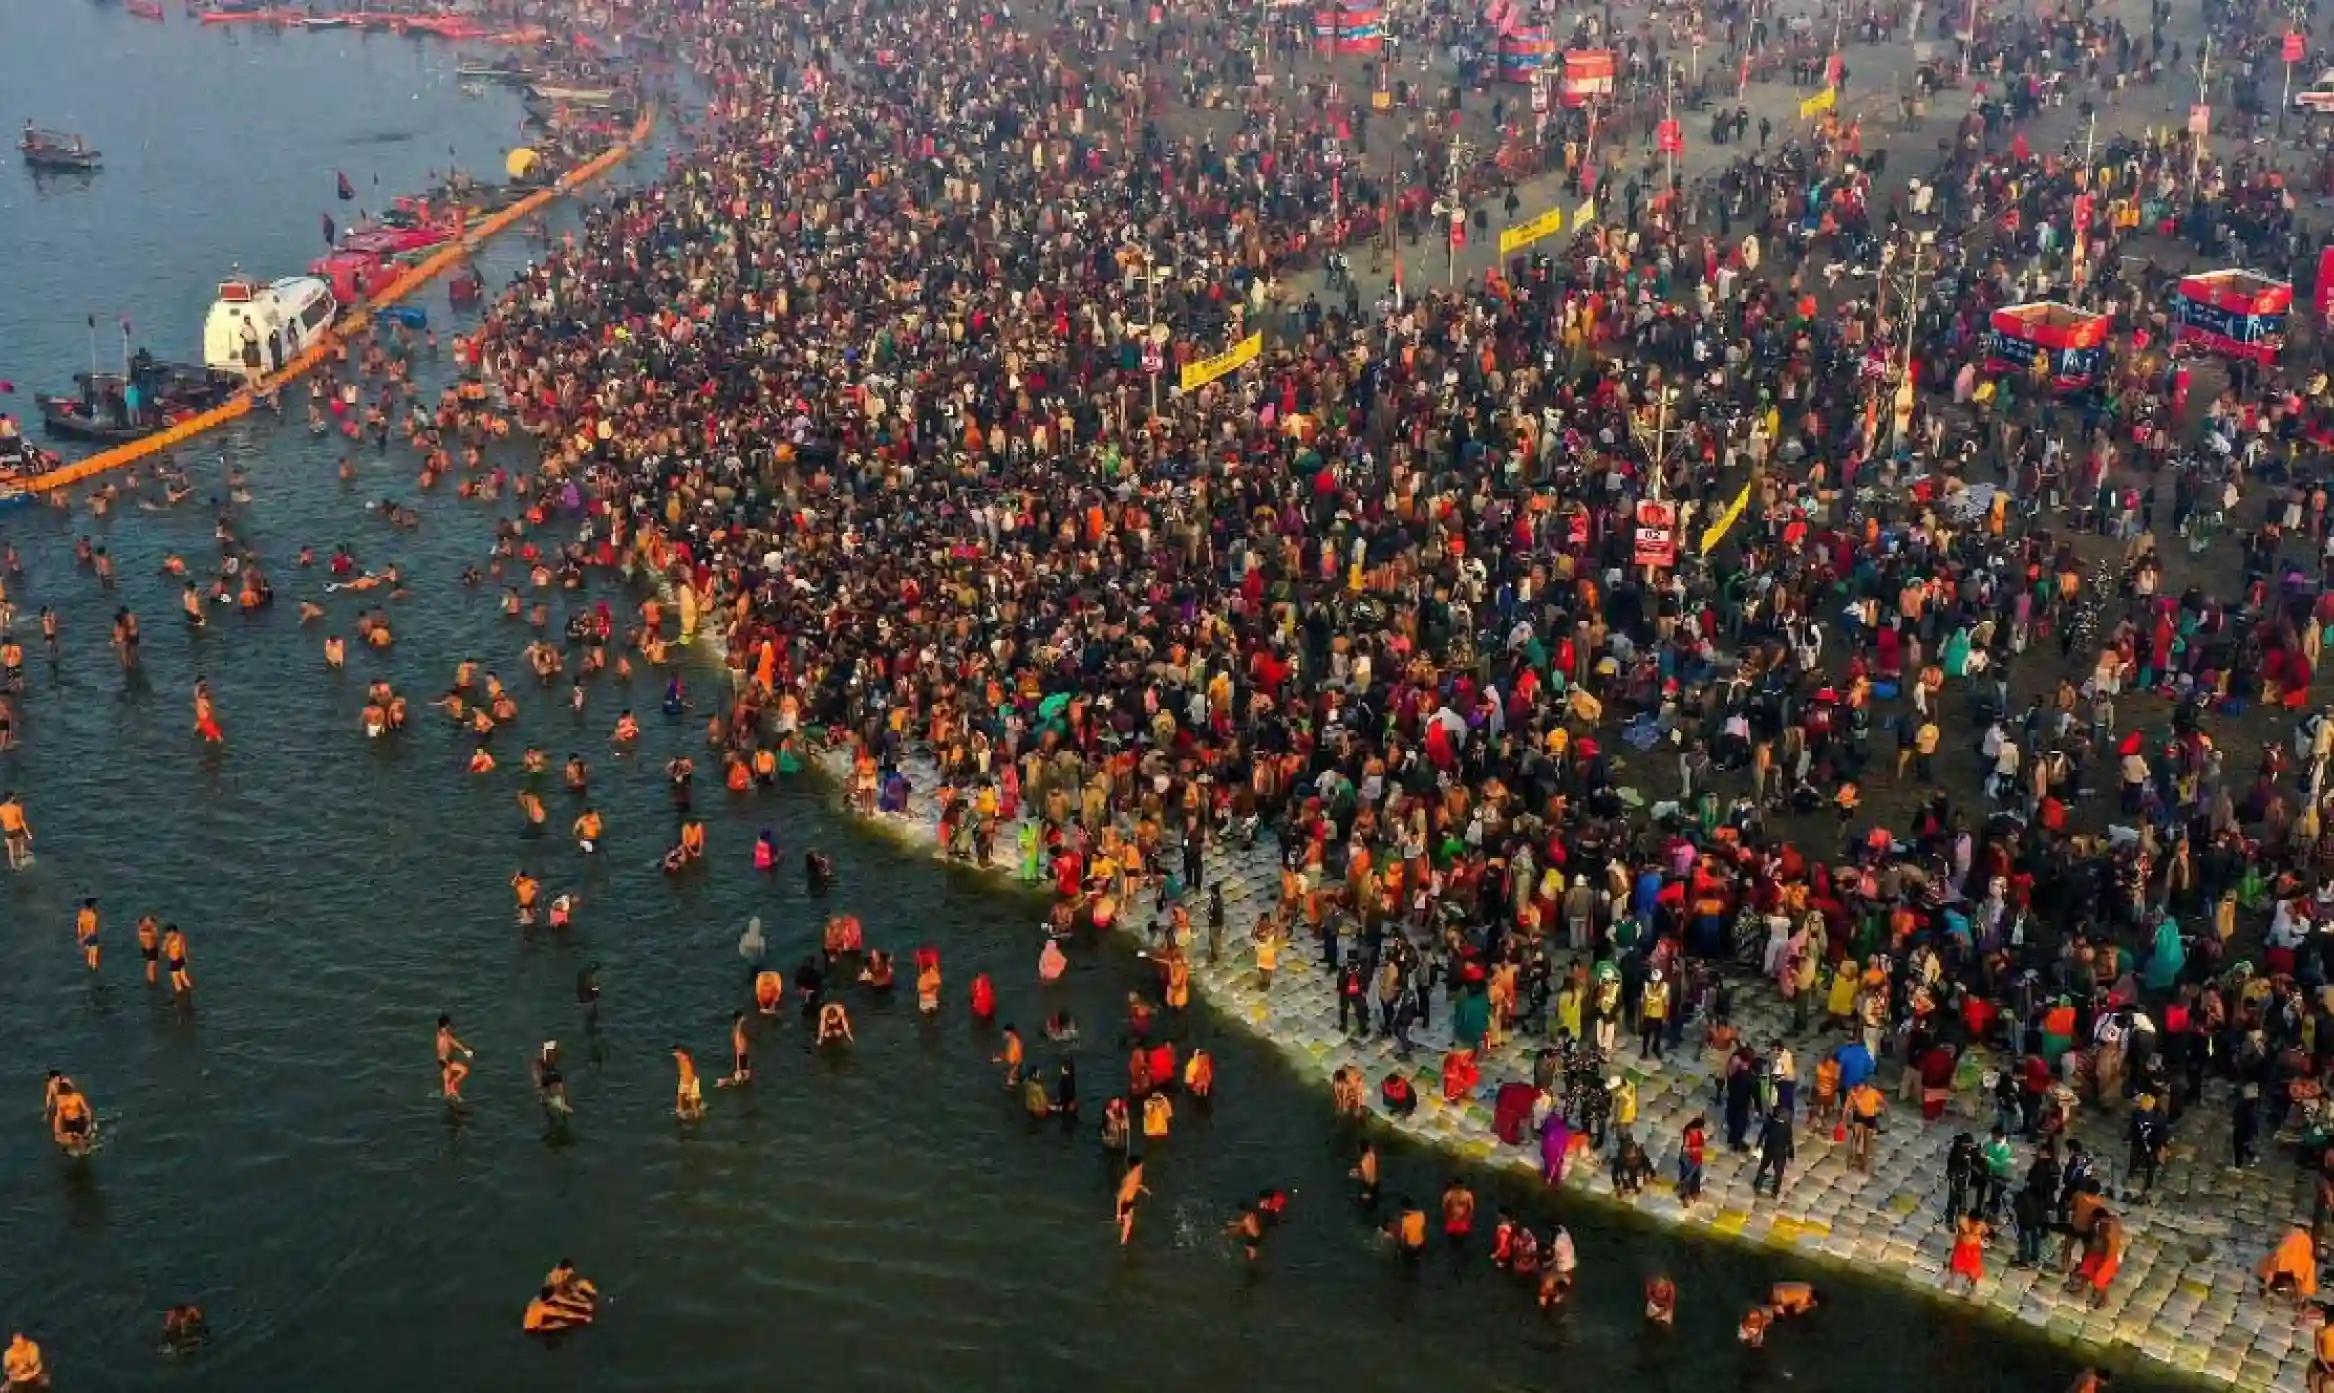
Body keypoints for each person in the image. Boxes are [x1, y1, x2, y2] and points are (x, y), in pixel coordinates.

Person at [437, 1015, 474, 1101]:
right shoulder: (443, 1039)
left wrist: (464, 1050)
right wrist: (448, 1067)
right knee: (464, 1071)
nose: (450, 1025)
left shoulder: (442, 1034)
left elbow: (453, 1042)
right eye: (449, 1024)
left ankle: (453, 1091)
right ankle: (453, 1089)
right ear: (446, 1025)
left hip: (448, 1063)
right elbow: (441, 1057)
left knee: (463, 1071)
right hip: (446, 1064)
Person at [1115, 1155, 1149, 1245]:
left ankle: (1123, 1236)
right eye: (1141, 1164)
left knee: (1129, 1223)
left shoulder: (1138, 1173)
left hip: (1130, 1201)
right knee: (1127, 1226)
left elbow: (1137, 1184)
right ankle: (1122, 1244)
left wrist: (1144, 1189)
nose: (1142, 1165)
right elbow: (1120, 1197)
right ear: (1136, 1166)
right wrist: (1118, 1214)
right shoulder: (1129, 1179)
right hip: (1125, 1202)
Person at [716, 1012, 752, 1088]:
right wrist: (738, 1068)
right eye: (742, 1017)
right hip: (742, 1057)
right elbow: (738, 1051)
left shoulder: (737, 1031)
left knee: (743, 1079)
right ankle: (722, 1082)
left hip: (743, 1056)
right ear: (739, 1019)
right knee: (741, 1079)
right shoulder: (738, 1033)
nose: (744, 1018)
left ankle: (723, 1082)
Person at [672, 1046, 705, 1120]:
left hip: (691, 1080)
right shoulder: (680, 1058)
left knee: (693, 1101)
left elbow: (691, 1074)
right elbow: (682, 1070)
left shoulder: (686, 1059)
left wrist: (689, 1087)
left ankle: (697, 1115)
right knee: (680, 1096)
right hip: (685, 1078)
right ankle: (682, 1111)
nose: (675, 1055)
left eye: (677, 1053)